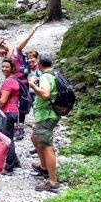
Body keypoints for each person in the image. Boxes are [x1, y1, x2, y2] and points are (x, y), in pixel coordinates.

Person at [29, 52, 60, 192]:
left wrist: (33, 85)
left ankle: (52, 181)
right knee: (35, 138)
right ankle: (43, 167)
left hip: (46, 115)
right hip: (49, 114)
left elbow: (46, 94)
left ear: (39, 64)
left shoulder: (45, 77)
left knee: (47, 146)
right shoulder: (54, 74)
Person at [0, 59, 22, 174]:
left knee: (7, 139)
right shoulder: (13, 80)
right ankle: (15, 162)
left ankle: (9, 167)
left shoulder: (9, 82)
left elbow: (2, 101)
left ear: (12, 68)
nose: (4, 69)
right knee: (9, 136)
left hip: (8, 112)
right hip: (13, 111)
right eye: (3, 66)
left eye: (7, 67)